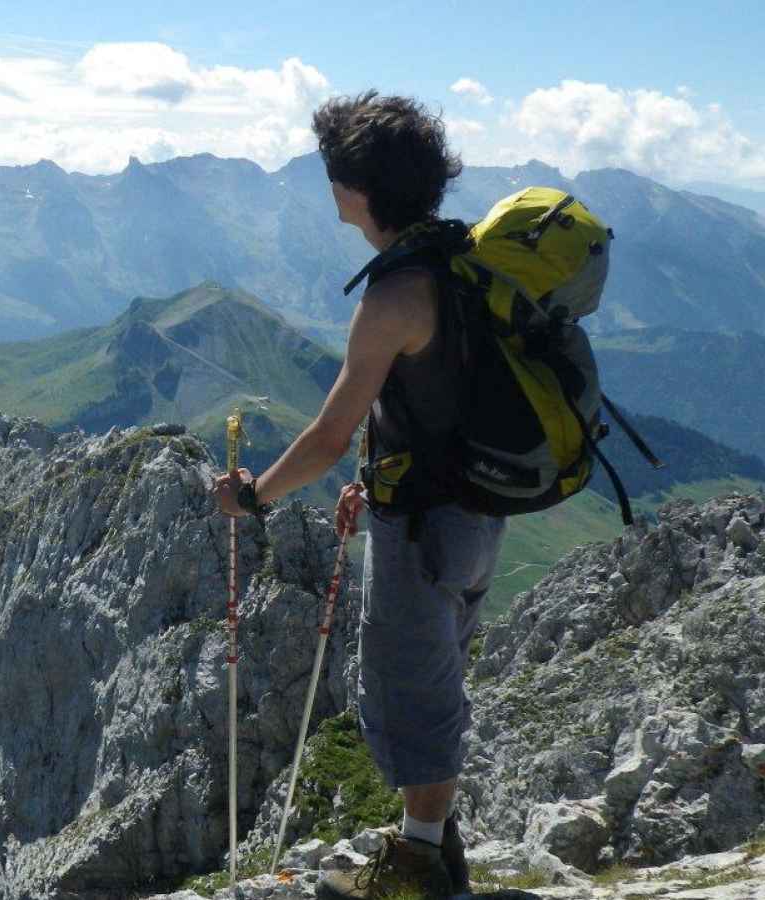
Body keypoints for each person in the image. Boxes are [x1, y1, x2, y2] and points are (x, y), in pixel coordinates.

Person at [212, 91, 504, 900]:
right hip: (477, 511)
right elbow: (437, 392)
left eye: (334, 173)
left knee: (412, 689)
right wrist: (374, 476)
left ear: (357, 190)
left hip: (424, 527)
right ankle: (437, 855)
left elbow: (328, 434)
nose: (328, 186)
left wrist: (256, 497)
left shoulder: (392, 297)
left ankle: (412, 872)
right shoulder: (461, 256)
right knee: (431, 671)